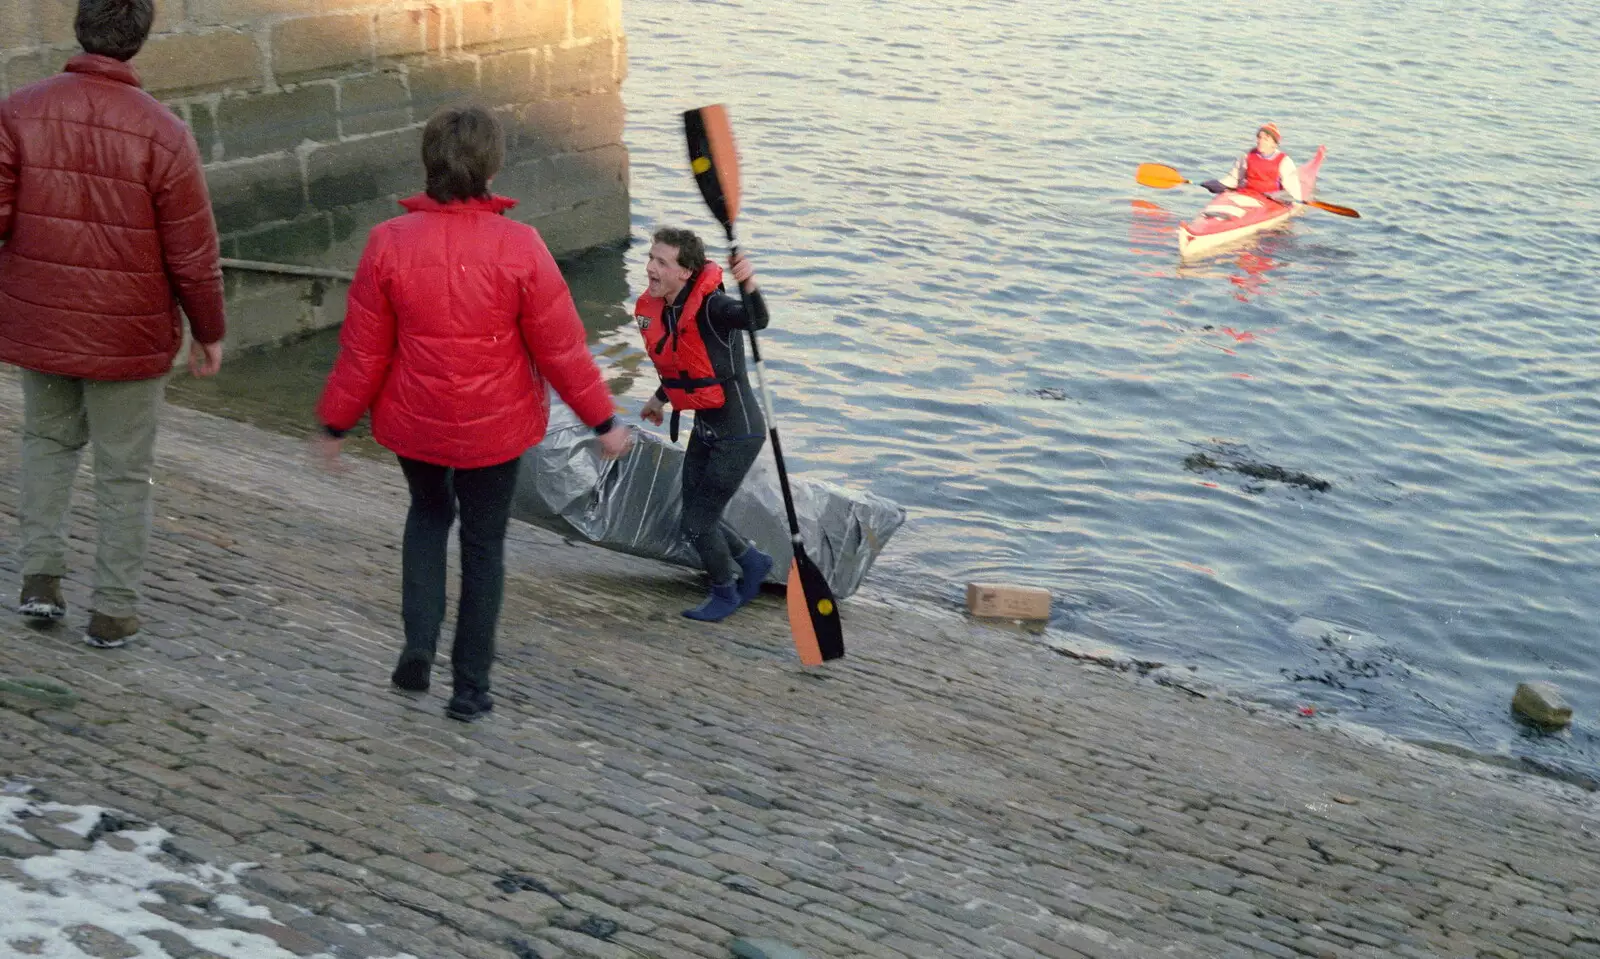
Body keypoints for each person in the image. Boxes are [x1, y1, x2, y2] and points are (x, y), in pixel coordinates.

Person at [315, 105, 632, 723]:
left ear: (428, 162)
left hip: (418, 422)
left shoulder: (387, 243)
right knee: (484, 545)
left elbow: (363, 352)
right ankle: (469, 688)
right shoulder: (521, 246)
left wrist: (334, 423)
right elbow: (560, 348)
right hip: (496, 427)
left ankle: (417, 645)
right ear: (492, 166)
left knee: (428, 517)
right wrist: (602, 421)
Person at [0, 0, 226, 649]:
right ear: (140, 39)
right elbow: (192, 251)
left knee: (45, 444)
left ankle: (40, 581)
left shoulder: (18, 111)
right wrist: (209, 330)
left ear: (81, 28)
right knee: (124, 469)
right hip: (129, 333)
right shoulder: (165, 133)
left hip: (42, 320)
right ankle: (113, 610)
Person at [635, 227, 774, 622]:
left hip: (739, 433)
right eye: (650, 258)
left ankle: (724, 591)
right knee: (696, 515)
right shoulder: (669, 309)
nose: (650, 268)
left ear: (686, 272)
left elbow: (756, 319)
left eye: (662, 262)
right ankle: (753, 562)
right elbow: (683, 364)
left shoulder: (714, 307)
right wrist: (659, 399)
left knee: (697, 523)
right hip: (707, 429)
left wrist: (747, 281)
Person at [1202, 122, 1303, 205]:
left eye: (1265, 139)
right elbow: (1233, 178)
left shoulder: (1284, 162)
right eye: (1259, 137)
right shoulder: (1247, 156)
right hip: (1247, 195)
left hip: (1270, 199)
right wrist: (1218, 185)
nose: (1260, 141)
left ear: (1274, 144)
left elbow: (1293, 189)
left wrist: (1291, 201)